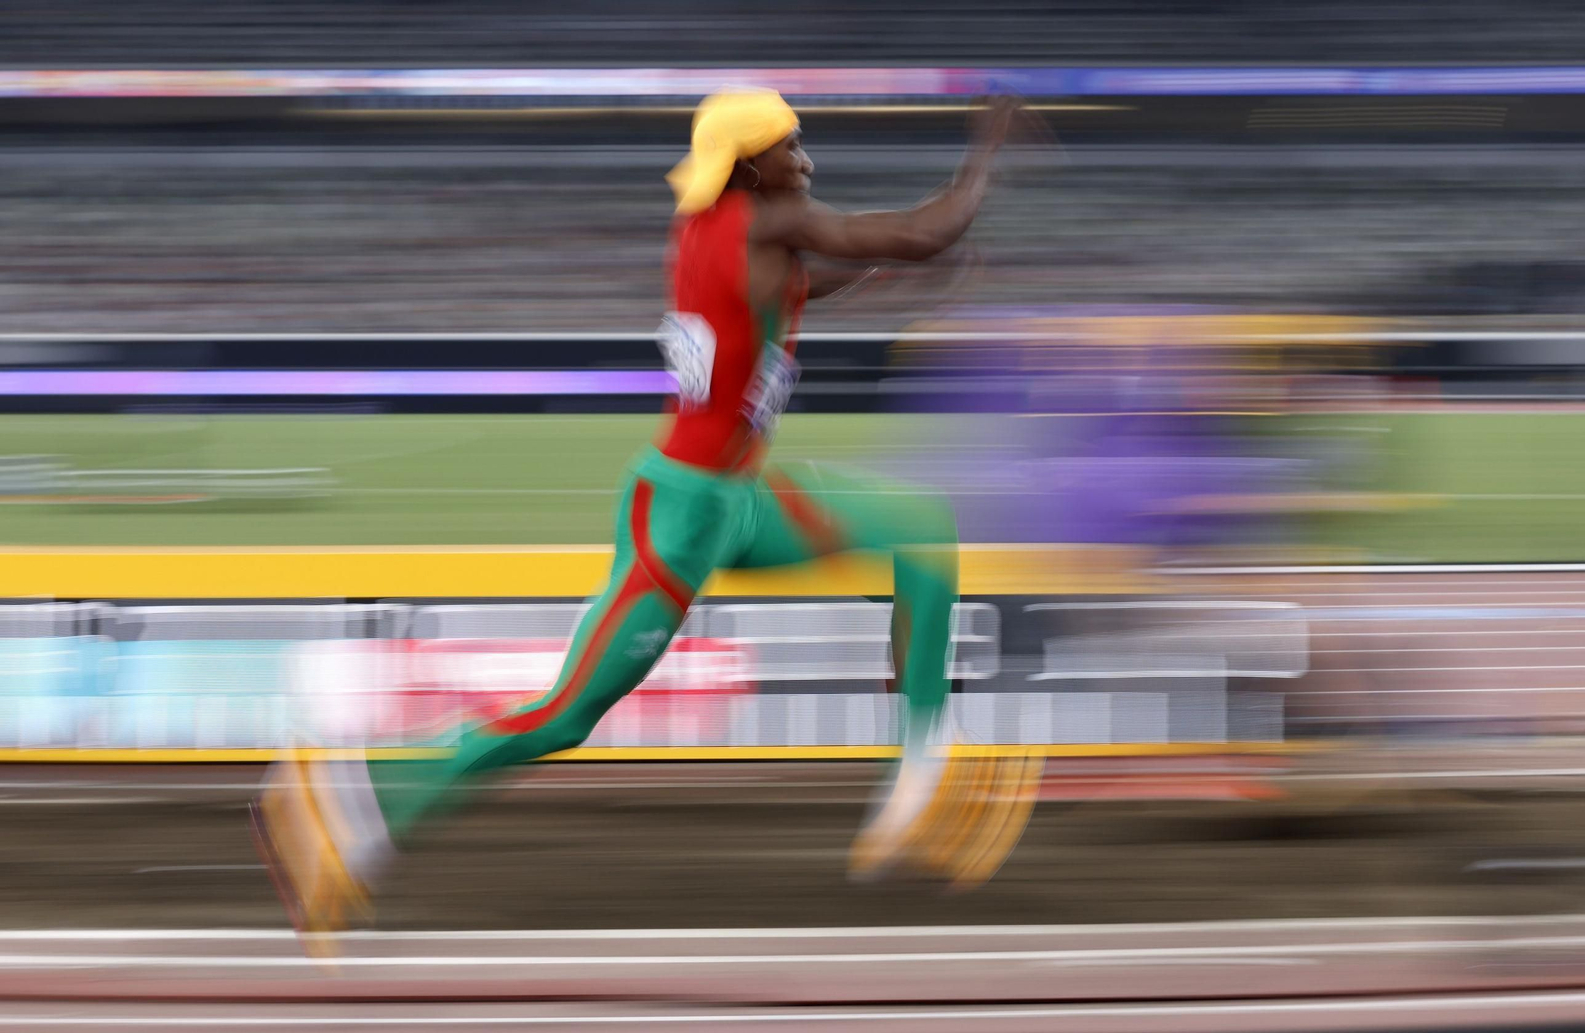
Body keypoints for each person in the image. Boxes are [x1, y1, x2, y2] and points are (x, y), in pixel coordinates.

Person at [251, 89, 1042, 950]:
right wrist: (986, 151)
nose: (806, 159)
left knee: (917, 527)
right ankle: (355, 801)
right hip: (681, 517)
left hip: (738, 498)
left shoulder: (726, 228)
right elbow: (924, 229)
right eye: (791, 145)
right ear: (750, 167)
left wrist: (897, 269)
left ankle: (922, 760)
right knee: (562, 715)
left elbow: (807, 280)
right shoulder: (762, 225)